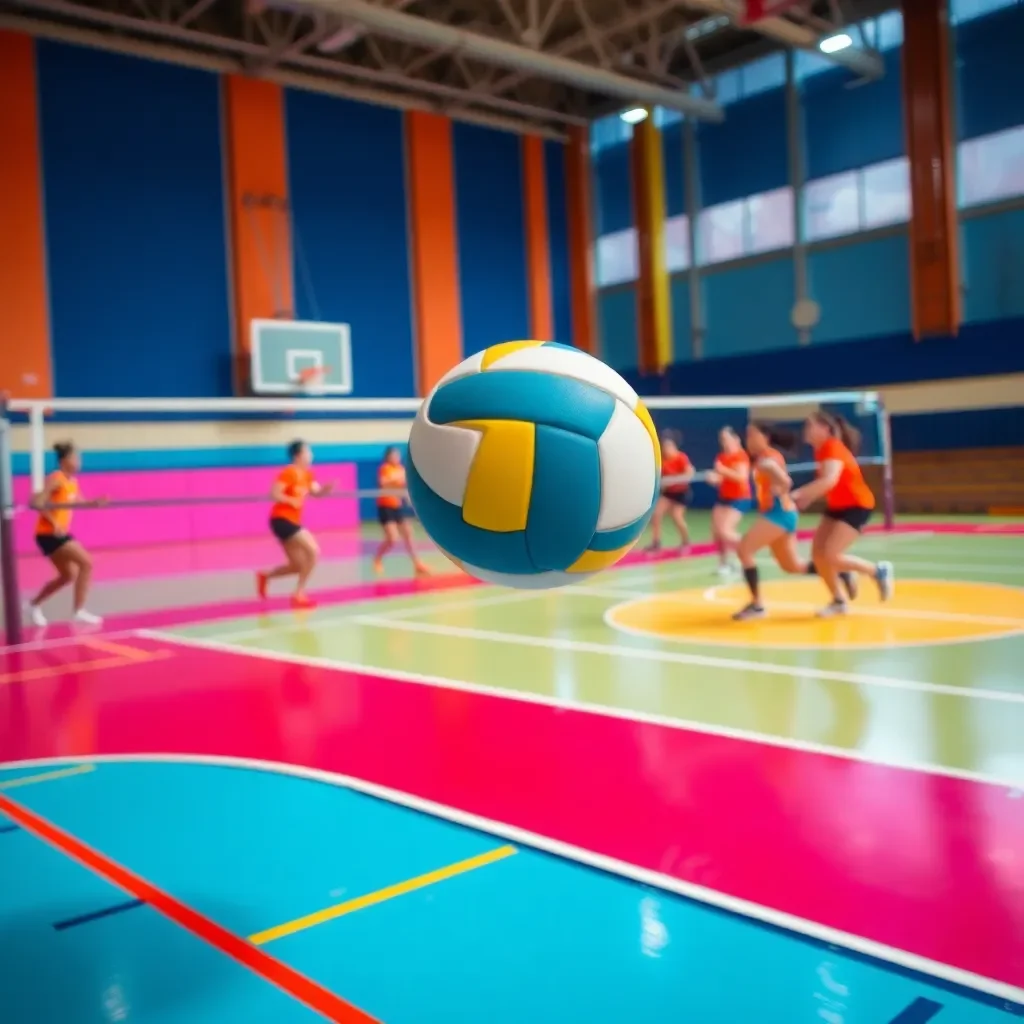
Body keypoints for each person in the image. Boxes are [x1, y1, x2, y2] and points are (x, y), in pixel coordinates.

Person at [792, 410, 894, 617]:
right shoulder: (821, 450)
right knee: (818, 556)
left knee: (831, 555)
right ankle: (838, 600)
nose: (806, 429)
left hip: (857, 505)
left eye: (810, 425)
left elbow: (830, 480)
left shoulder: (832, 447)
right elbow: (830, 485)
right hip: (837, 505)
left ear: (825, 429)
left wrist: (799, 493)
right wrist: (809, 497)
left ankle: (877, 571)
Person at [26, 442, 106, 627]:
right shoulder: (56, 478)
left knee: (67, 576)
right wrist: (53, 522)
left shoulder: (72, 482)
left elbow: (78, 502)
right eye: (75, 458)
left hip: (58, 534)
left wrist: (94, 503)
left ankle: (33, 605)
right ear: (64, 461)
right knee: (86, 562)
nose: (79, 461)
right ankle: (79, 611)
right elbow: (37, 502)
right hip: (48, 534)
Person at [257, 440, 333, 609]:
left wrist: (325, 490)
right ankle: (299, 594)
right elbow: (274, 494)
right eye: (308, 451)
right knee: (313, 551)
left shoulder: (308, 475)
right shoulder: (288, 473)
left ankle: (265, 576)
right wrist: (291, 500)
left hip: (291, 521)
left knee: (297, 566)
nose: (311, 455)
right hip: (282, 519)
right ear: (299, 455)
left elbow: (315, 492)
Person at [373, 446, 430, 578]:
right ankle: (377, 559)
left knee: (409, 534)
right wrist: (398, 480)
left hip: (398, 506)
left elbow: (405, 487)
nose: (396, 457)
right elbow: (383, 483)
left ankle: (418, 564)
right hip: (385, 506)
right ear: (388, 456)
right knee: (392, 539)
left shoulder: (401, 469)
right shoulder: (385, 468)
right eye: (394, 455)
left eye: (398, 455)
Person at [705, 426, 751, 577]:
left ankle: (748, 551)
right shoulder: (721, 457)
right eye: (722, 440)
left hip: (740, 498)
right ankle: (725, 563)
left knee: (726, 531)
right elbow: (721, 479)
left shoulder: (741, 456)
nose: (724, 442)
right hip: (724, 497)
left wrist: (722, 471)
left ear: (736, 439)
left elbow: (741, 477)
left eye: (726, 439)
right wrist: (714, 479)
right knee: (717, 532)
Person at [646, 430, 694, 554]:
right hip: (669, 494)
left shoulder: (681, 458)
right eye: (665, 446)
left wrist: (676, 480)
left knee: (677, 516)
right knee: (656, 514)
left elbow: (689, 474)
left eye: (669, 446)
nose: (667, 449)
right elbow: (662, 479)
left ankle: (686, 542)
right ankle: (656, 543)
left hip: (682, 493)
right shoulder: (664, 461)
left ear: (674, 446)